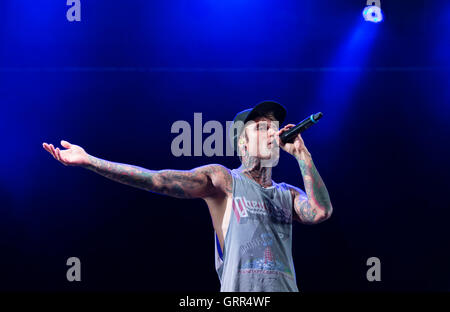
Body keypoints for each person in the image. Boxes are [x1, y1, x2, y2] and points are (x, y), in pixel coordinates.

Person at [42, 100, 332, 292]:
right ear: (242, 142)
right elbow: (158, 179)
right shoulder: (223, 180)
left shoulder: (287, 194)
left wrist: (303, 155)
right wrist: (90, 160)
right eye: (261, 127)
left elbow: (320, 211)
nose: (272, 132)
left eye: (273, 126)